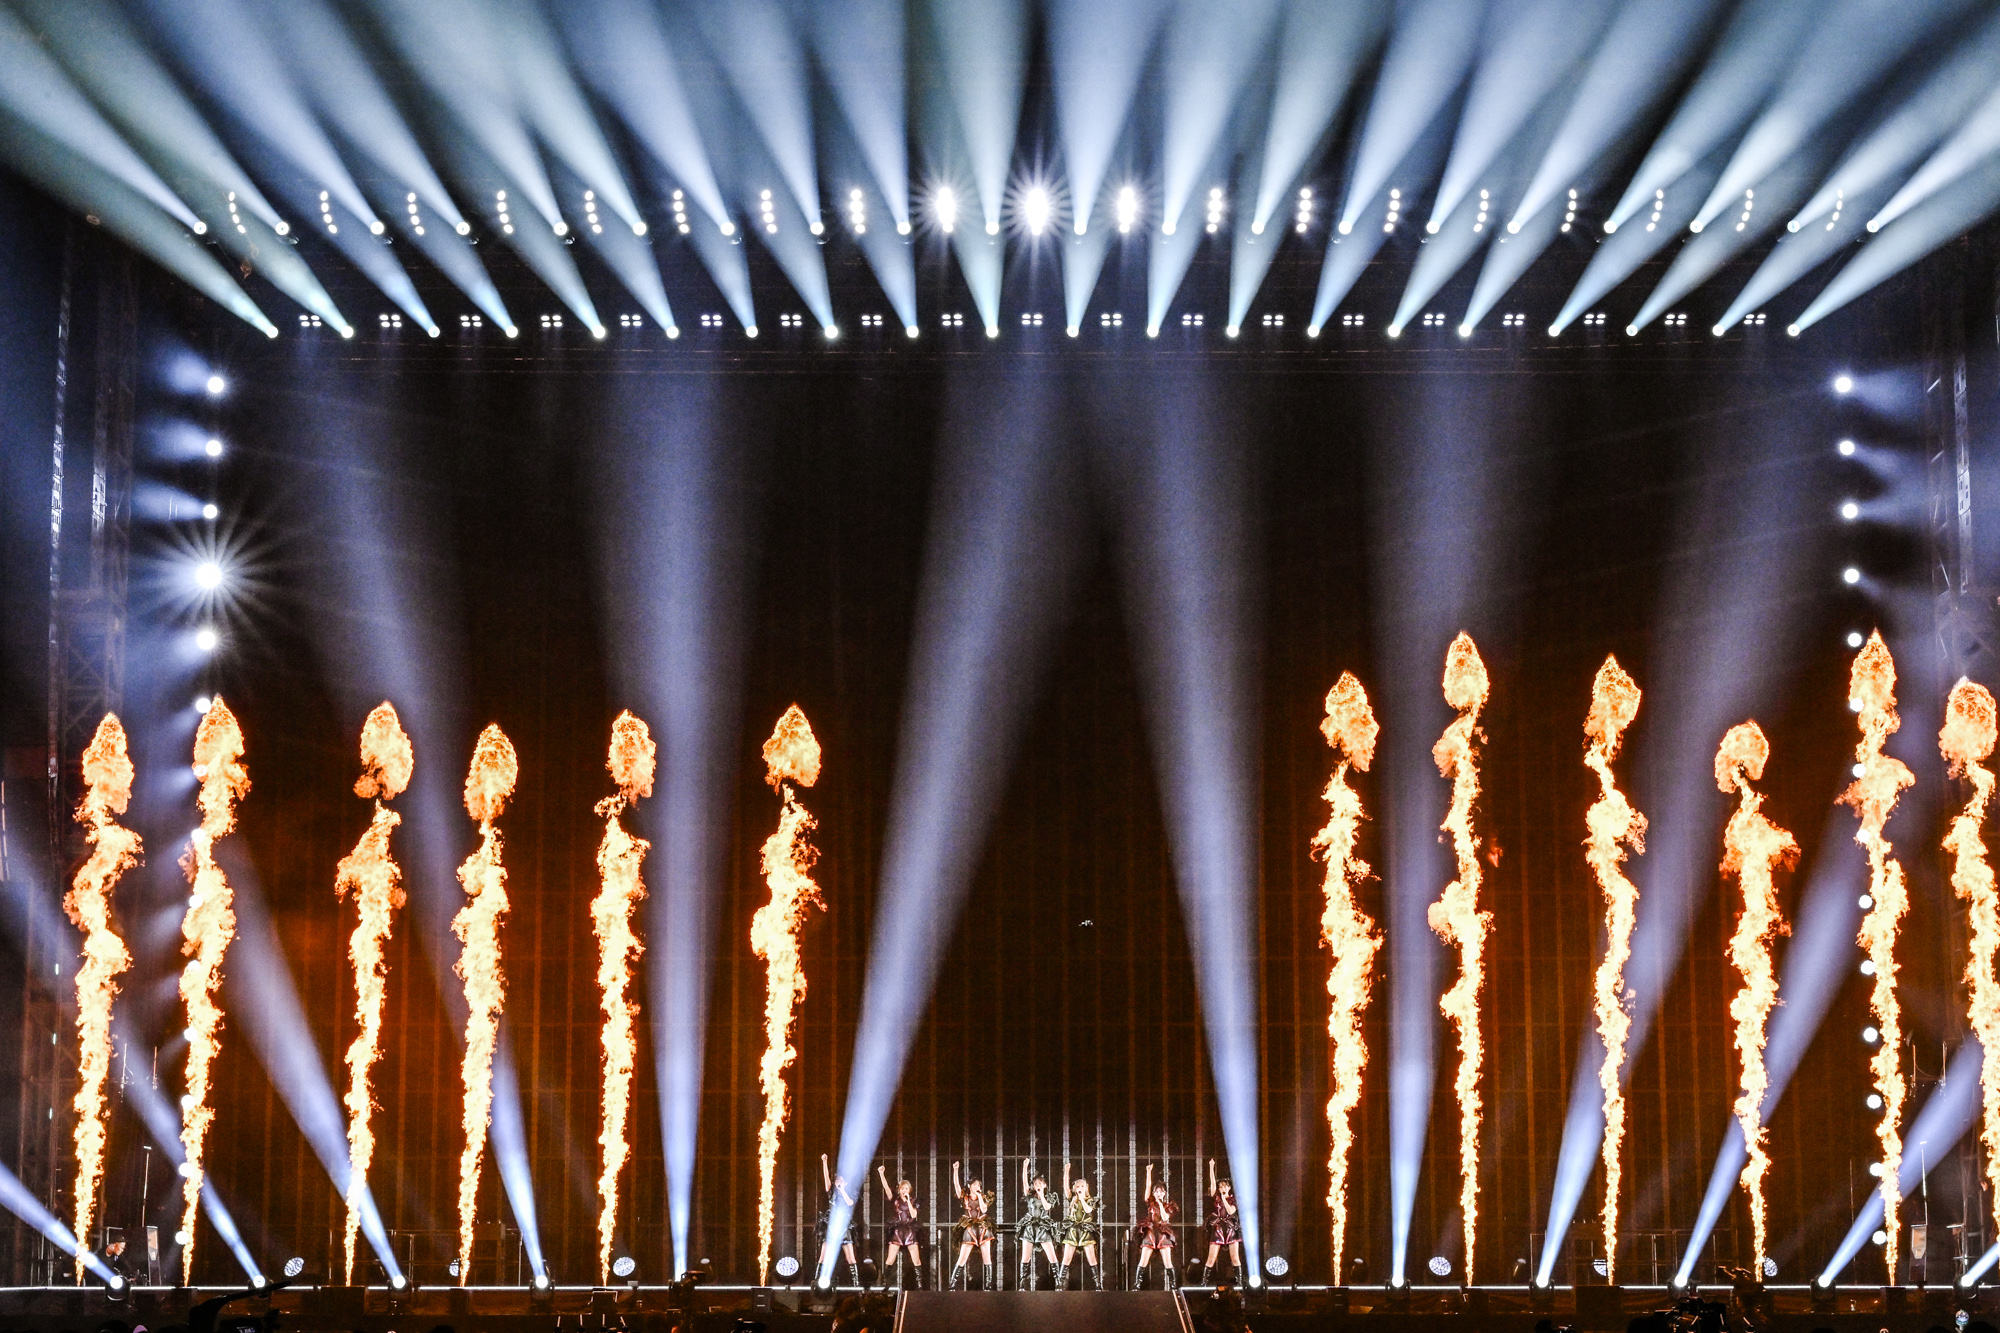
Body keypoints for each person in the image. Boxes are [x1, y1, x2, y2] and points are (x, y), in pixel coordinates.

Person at [876, 1166, 925, 1291]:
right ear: (899, 1190)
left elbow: (913, 1215)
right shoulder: (895, 1200)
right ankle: (885, 1284)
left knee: (916, 1259)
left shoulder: (914, 1201)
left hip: (910, 1231)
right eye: (902, 1188)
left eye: (906, 1188)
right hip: (897, 1231)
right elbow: (887, 1188)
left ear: (910, 1190)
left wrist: (908, 1201)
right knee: (890, 1258)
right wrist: (881, 1174)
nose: (904, 1190)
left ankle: (919, 1285)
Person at [948, 1162, 995, 1290]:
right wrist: (955, 1171)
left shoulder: (983, 1197)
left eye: (978, 1185)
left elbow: (984, 1209)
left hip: (983, 1227)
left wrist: (979, 1196)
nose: (976, 1187)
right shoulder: (965, 1197)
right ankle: (952, 1284)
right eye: (974, 1185)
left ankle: (988, 1285)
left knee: (987, 1257)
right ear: (969, 1186)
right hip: (970, 1228)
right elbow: (957, 1186)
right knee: (962, 1257)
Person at [1132, 1164, 1179, 1290]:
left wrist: (1160, 1204)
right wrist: (1148, 1172)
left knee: (1167, 1262)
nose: (1158, 1193)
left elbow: (1165, 1217)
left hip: (1163, 1232)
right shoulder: (1150, 1202)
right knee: (1143, 1260)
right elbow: (1147, 1186)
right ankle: (1137, 1284)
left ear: (1164, 1193)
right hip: (1151, 1231)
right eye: (1156, 1191)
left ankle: (1173, 1285)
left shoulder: (1169, 1206)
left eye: (1161, 1191)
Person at [1016, 1160, 1062, 1290]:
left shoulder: (1050, 1196)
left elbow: (1047, 1207)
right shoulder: (1030, 1196)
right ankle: (1022, 1283)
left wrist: (1041, 1195)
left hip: (1043, 1226)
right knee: (1025, 1257)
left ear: (1045, 1185)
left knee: (1052, 1256)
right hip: (1030, 1226)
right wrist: (1025, 1167)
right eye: (1035, 1183)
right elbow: (1024, 1182)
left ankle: (1058, 1282)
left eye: (1040, 1183)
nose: (1037, 1185)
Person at [1055, 1164, 1102, 1290]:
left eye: (1082, 1186)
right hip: (1073, 1229)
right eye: (1078, 1186)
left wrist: (1082, 1198)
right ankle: (1059, 1283)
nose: (1080, 1188)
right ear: (1075, 1188)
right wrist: (1066, 1171)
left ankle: (1098, 1284)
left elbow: (1088, 1210)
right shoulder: (1072, 1198)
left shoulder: (1090, 1200)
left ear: (1086, 1188)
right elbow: (1065, 1186)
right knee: (1067, 1257)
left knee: (1091, 1258)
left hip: (1085, 1230)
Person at [818, 1154, 861, 1288]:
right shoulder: (831, 1192)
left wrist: (842, 1190)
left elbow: (850, 1203)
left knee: (850, 1257)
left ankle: (856, 1284)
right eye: (837, 1180)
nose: (838, 1182)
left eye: (841, 1180)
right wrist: (824, 1162)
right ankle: (818, 1282)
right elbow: (826, 1179)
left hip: (844, 1226)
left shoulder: (850, 1193)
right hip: (831, 1226)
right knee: (823, 1256)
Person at [1198, 1159, 1242, 1285]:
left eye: (1225, 1186)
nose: (1222, 1188)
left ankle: (1239, 1281)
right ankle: (1204, 1282)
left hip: (1230, 1228)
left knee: (1234, 1257)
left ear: (1229, 1187)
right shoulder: (1216, 1197)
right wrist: (1211, 1167)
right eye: (1221, 1186)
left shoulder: (1234, 1199)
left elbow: (1231, 1211)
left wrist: (1224, 1198)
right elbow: (1212, 1183)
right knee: (1211, 1257)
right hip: (1218, 1228)